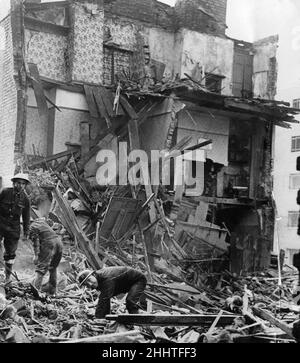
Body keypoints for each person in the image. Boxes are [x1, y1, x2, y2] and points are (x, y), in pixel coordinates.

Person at [78, 267, 147, 319]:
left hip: (138, 280)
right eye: (86, 284)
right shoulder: (99, 279)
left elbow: (104, 299)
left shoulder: (106, 278)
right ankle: (107, 318)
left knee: (130, 301)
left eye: (89, 280)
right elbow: (105, 300)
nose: (90, 284)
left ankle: (136, 320)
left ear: (94, 275)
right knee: (105, 298)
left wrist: (98, 318)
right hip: (123, 283)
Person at [28, 195, 63, 295]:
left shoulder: (32, 227)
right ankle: (53, 292)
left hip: (49, 243)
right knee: (53, 268)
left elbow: (36, 242)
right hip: (58, 242)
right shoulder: (40, 221)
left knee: (40, 269)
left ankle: (35, 294)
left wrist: (36, 256)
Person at [0, 173, 31, 282]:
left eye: (23, 184)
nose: (20, 185)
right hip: (1, 224)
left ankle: (7, 277)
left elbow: (26, 216)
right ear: (14, 183)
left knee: (11, 254)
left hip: (14, 229)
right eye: (18, 183)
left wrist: (26, 231)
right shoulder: (5, 192)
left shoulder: (26, 199)